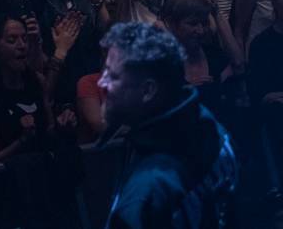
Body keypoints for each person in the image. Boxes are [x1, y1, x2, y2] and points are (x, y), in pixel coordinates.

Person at [97, 21, 237, 227]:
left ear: (148, 91)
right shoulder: (211, 127)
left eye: (113, 75)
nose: (102, 83)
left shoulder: (146, 192)